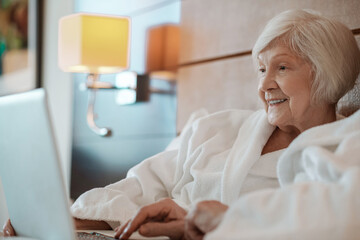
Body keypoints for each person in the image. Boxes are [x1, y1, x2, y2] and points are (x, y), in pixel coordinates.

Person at [3, 9, 360, 240]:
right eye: (261, 69)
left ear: (325, 72)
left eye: (282, 68)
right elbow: (140, 186)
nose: (264, 85)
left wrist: (198, 224)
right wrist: (69, 221)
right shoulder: (216, 128)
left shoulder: (341, 153)